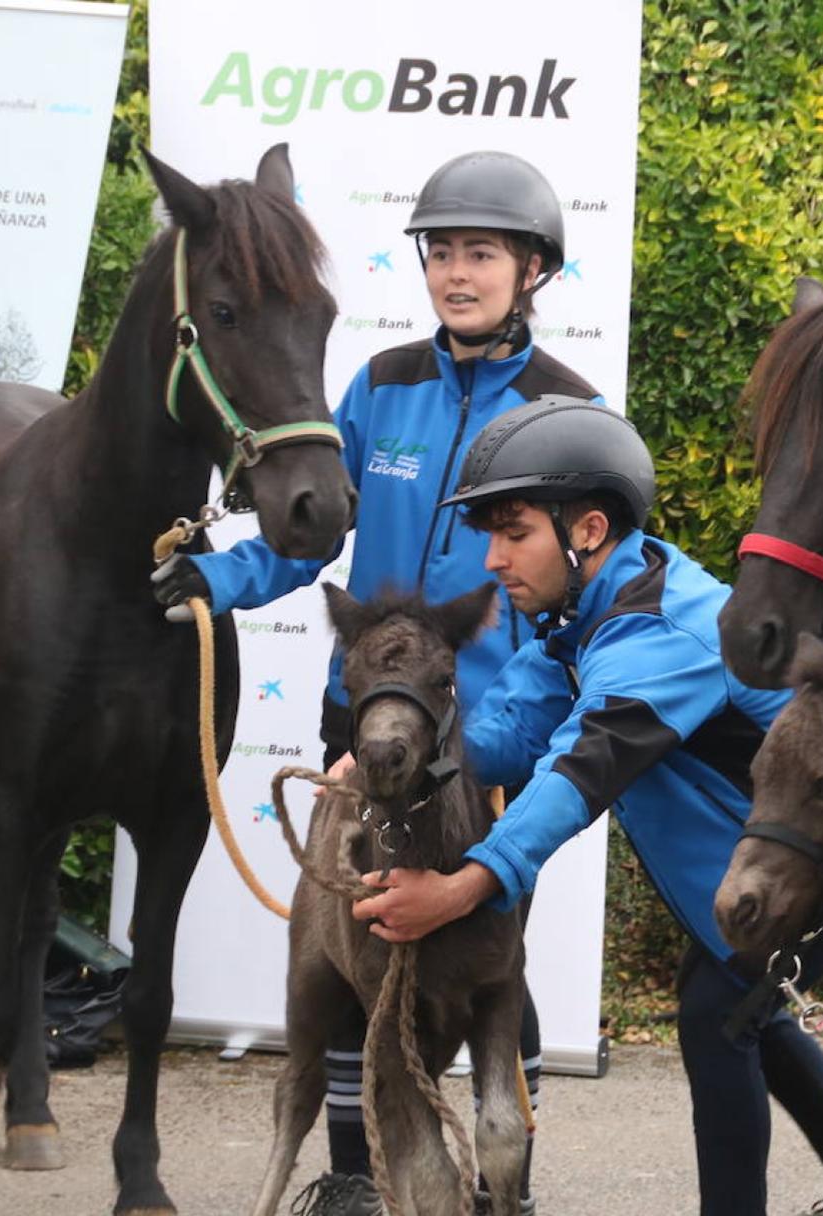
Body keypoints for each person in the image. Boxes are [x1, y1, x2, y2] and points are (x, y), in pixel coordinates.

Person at [150, 149, 599, 1216]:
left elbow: (576, 597)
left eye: (480, 253)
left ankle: (506, 1186)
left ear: (532, 267)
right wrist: (214, 576)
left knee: (491, 963)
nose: (455, 272)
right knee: (353, 953)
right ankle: (354, 1180)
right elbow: (307, 537)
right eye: (441, 251)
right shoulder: (380, 386)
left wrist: (500, 738)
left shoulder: (566, 409)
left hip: (493, 734)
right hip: (363, 719)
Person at [351, 397, 823, 1216]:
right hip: (752, 890)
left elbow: (577, 773)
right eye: (488, 533)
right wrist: (400, 743)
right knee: (744, 1005)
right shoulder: (571, 625)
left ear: (586, 530)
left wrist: (465, 887)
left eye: (512, 532)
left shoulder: (666, 630)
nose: (492, 559)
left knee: (721, 1016)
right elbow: (502, 738)